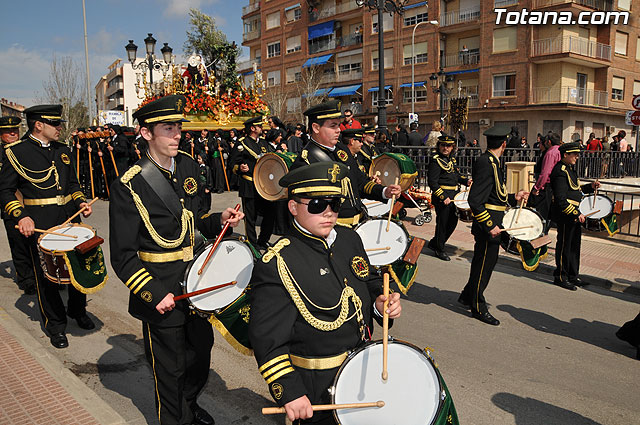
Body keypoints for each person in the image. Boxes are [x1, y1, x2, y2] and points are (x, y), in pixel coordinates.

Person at [109, 95, 244, 425]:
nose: (177, 134)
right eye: (168, 128)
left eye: (178, 127)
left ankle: (189, 403)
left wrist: (218, 220)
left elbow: (194, 220)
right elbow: (122, 256)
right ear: (146, 134)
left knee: (200, 355)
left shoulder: (187, 165)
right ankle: (176, 418)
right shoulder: (129, 185)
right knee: (169, 368)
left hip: (197, 283)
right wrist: (154, 294)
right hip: (161, 288)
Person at [248, 161, 402, 424]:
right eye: (318, 205)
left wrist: (381, 301)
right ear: (293, 207)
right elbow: (267, 340)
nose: (329, 213)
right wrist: (290, 392)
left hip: (361, 370)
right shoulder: (278, 262)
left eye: (335, 204)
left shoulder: (349, 239)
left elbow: (369, 278)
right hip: (315, 388)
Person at [0, 104, 95, 348]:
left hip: (70, 219)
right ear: (38, 125)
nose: (60, 128)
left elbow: (72, 184)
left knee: (78, 268)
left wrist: (81, 202)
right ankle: (56, 325)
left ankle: (77, 310)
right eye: (55, 124)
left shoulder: (63, 150)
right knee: (48, 276)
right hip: (39, 223)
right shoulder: (16, 152)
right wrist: (21, 216)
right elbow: (6, 190)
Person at [458, 124, 529, 326]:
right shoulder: (486, 163)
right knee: (484, 265)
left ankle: (467, 295)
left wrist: (514, 197)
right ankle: (478, 306)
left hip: (494, 221)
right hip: (488, 225)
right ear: (504, 144)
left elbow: (494, 194)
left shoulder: (492, 161)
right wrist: (489, 225)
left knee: (484, 262)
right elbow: (475, 200)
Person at [291, 100, 401, 227]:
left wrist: (385, 191)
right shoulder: (305, 161)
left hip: (358, 222)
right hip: (331, 229)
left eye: (338, 125)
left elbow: (360, 182)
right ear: (316, 128)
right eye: (333, 126)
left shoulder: (342, 150)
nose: (338, 130)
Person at [549, 142, 599, 291]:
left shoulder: (570, 169)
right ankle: (560, 276)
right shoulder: (559, 171)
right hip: (566, 214)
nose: (577, 157)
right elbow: (560, 199)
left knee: (574, 246)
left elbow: (575, 190)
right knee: (565, 245)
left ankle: (573, 275)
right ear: (566, 154)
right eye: (574, 154)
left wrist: (590, 187)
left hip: (576, 213)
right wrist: (575, 213)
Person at [0, 116, 36, 295]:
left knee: (36, 243)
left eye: (15, 129)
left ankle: (42, 276)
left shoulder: (25, 150)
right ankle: (26, 279)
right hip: (10, 206)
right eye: (8, 131)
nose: (13, 133)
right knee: (19, 244)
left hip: (31, 203)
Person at [232, 117, 275, 250]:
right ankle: (252, 242)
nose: (262, 128)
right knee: (250, 217)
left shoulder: (263, 143)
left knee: (270, 213)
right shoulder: (242, 143)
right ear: (252, 128)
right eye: (259, 126)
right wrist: (240, 168)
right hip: (249, 184)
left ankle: (263, 239)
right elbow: (232, 164)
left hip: (264, 184)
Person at [427, 134, 471, 261]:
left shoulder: (451, 160)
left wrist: (466, 181)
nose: (445, 148)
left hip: (453, 197)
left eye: (449, 146)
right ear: (439, 146)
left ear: (453, 147)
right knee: (443, 224)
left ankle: (435, 243)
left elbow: (455, 176)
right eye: (443, 145)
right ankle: (439, 249)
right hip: (443, 197)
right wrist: (443, 196)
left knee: (452, 222)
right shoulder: (436, 160)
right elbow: (432, 182)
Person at [531, 132, 562, 233]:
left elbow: (545, 173)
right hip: (556, 186)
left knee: (541, 215)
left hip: (547, 188)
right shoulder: (560, 151)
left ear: (549, 142)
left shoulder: (551, 153)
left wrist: (537, 187)